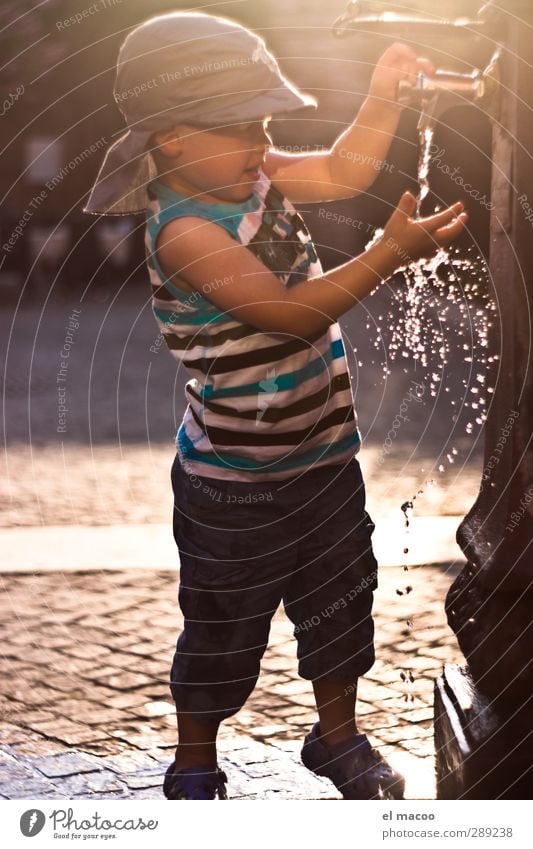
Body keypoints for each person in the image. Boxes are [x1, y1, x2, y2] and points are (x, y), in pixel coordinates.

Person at [84, 11, 467, 801]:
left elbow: (340, 171)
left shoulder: (253, 174)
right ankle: (194, 756)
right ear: (173, 138)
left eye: (264, 122)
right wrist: (387, 253)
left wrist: (382, 98)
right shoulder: (185, 229)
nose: (260, 141)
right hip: (233, 483)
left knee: (338, 611)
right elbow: (286, 311)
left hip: (324, 462)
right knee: (223, 625)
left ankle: (336, 737)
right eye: (240, 126)